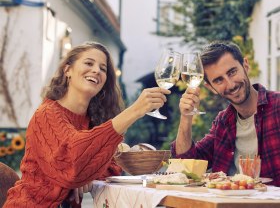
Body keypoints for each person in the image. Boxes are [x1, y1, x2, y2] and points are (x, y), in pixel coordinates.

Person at [4, 42, 170, 207]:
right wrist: (134, 111)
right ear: (67, 70)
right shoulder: (47, 114)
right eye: (89, 63)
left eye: (102, 68)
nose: (96, 70)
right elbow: (72, 163)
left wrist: (86, 174)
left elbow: (111, 167)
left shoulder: (91, 122)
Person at [171, 41, 280, 186]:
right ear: (210, 87)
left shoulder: (277, 107)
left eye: (232, 72)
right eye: (218, 80)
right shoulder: (223, 121)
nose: (230, 84)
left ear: (245, 66)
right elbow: (184, 165)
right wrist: (186, 117)